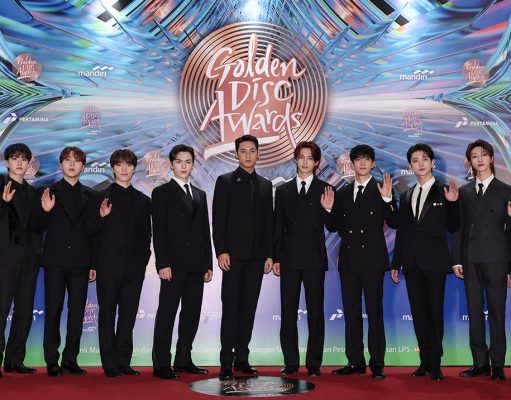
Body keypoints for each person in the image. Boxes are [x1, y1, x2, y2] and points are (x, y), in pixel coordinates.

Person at [327, 144, 397, 380]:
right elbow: (334, 226)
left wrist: (388, 199)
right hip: (349, 261)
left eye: (367, 159)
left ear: (373, 163)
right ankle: (355, 361)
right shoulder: (343, 193)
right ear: (353, 164)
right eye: (358, 159)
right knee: (351, 312)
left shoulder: (381, 189)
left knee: (375, 313)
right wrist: (328, 210)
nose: (363, 163)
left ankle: (377, 363)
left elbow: (395, 221)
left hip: (373, 261)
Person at [391, 143, 459, 381]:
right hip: (411, 263)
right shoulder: (406, 195)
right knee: (418, 314)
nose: (420, 163)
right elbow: (403, 232)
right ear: (410, 166)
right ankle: (424, 362)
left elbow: (454, 226)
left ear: (432, 163)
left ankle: (436, 363)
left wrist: (452, 203)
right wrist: (396, 263)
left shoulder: (444, 191)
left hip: (435, 262)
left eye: (424, 159)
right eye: (415, 160)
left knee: (434, 313)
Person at [85, 149, 151, 377]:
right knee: (107, 313)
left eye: (129, 164)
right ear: (112, 168)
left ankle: (124, 361)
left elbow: (146, 234)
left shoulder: (144, 200)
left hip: (134, 266)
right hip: (108, 264)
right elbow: (89, 230)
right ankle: (110, 363)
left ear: (134, 169)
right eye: (119, 164)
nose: (124, 168)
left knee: (128, 314)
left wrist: (143, 261)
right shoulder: (98, 196)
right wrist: (100, 216)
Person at [213, 135, 273, 380]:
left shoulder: (266, 185)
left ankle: (242, 359)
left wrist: (270, 254)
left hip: (257, 258)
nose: (248, 155)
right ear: (236, 154)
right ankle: (226, 361)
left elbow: (269, 223)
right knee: (231, 308)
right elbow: (219, 219)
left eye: (252, 151)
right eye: (243, 151)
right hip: (233, 257)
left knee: (248, 308)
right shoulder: (225, 181)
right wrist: (221, 250)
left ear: (258, 153)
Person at [151, 144, 213, 380]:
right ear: (171, 164)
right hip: (173, 265)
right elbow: (159, 231)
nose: (184, 166)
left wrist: (208, 264)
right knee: (167, 314)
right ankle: (161, 363)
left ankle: (184, 359)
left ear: (193, 166)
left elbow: (204, 232)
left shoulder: (200, 194)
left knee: (191, 314)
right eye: (179, 161)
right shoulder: (161, 192)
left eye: (188, 162)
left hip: (196, 265)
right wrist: (162, 263)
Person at [452, 139, 511, 381]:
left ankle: (498, 364)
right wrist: (457, 260)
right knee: (474, 311)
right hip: (470, 259)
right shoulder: (464, 191)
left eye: (484, 154)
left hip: (497, 258)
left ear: (491, 158)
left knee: (497, 312)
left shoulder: (506, 190)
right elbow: (459, 228)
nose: (479, 159)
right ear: (470, 161)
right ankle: (479, 363)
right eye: (474, 156)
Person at [273, 141, 333, 377]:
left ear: (317, 162)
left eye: (310, 158)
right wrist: (276, 257)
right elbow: (278, 227)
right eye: (301, 157)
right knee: (288, 312)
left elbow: (334, 226)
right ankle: (290, 361)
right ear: (295, 159)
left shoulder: (326, 189)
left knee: (315, 312)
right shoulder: (283, 190)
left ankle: (314, 364)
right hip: (289, 258)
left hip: (314, 257)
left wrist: (328, 210)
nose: (305, 161)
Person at [40, 146, 96, 377]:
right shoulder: (48, 192)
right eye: (67, 160)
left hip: (81, 262)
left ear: (83, 166)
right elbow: (36, 228)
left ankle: (70, 359)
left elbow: (93, 233)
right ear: (61, 164)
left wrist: (93, 263)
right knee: (53, 311)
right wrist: (45, 211)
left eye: (76, 160)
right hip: (55, 261)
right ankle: (52, 360)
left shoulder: (91, 195)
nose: (72, 164)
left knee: (76, 313)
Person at [0, 143, 44, 377]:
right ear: (6, 162)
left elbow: (37, 228)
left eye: (24, 159)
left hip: (29, 261)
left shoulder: (33, 193)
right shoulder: (1, 186)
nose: (19, 162)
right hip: (5, 260)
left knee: (25, 311)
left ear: (29, 164)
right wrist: (4, 202)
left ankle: (15, 360)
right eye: (15, 158)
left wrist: (46, 212)